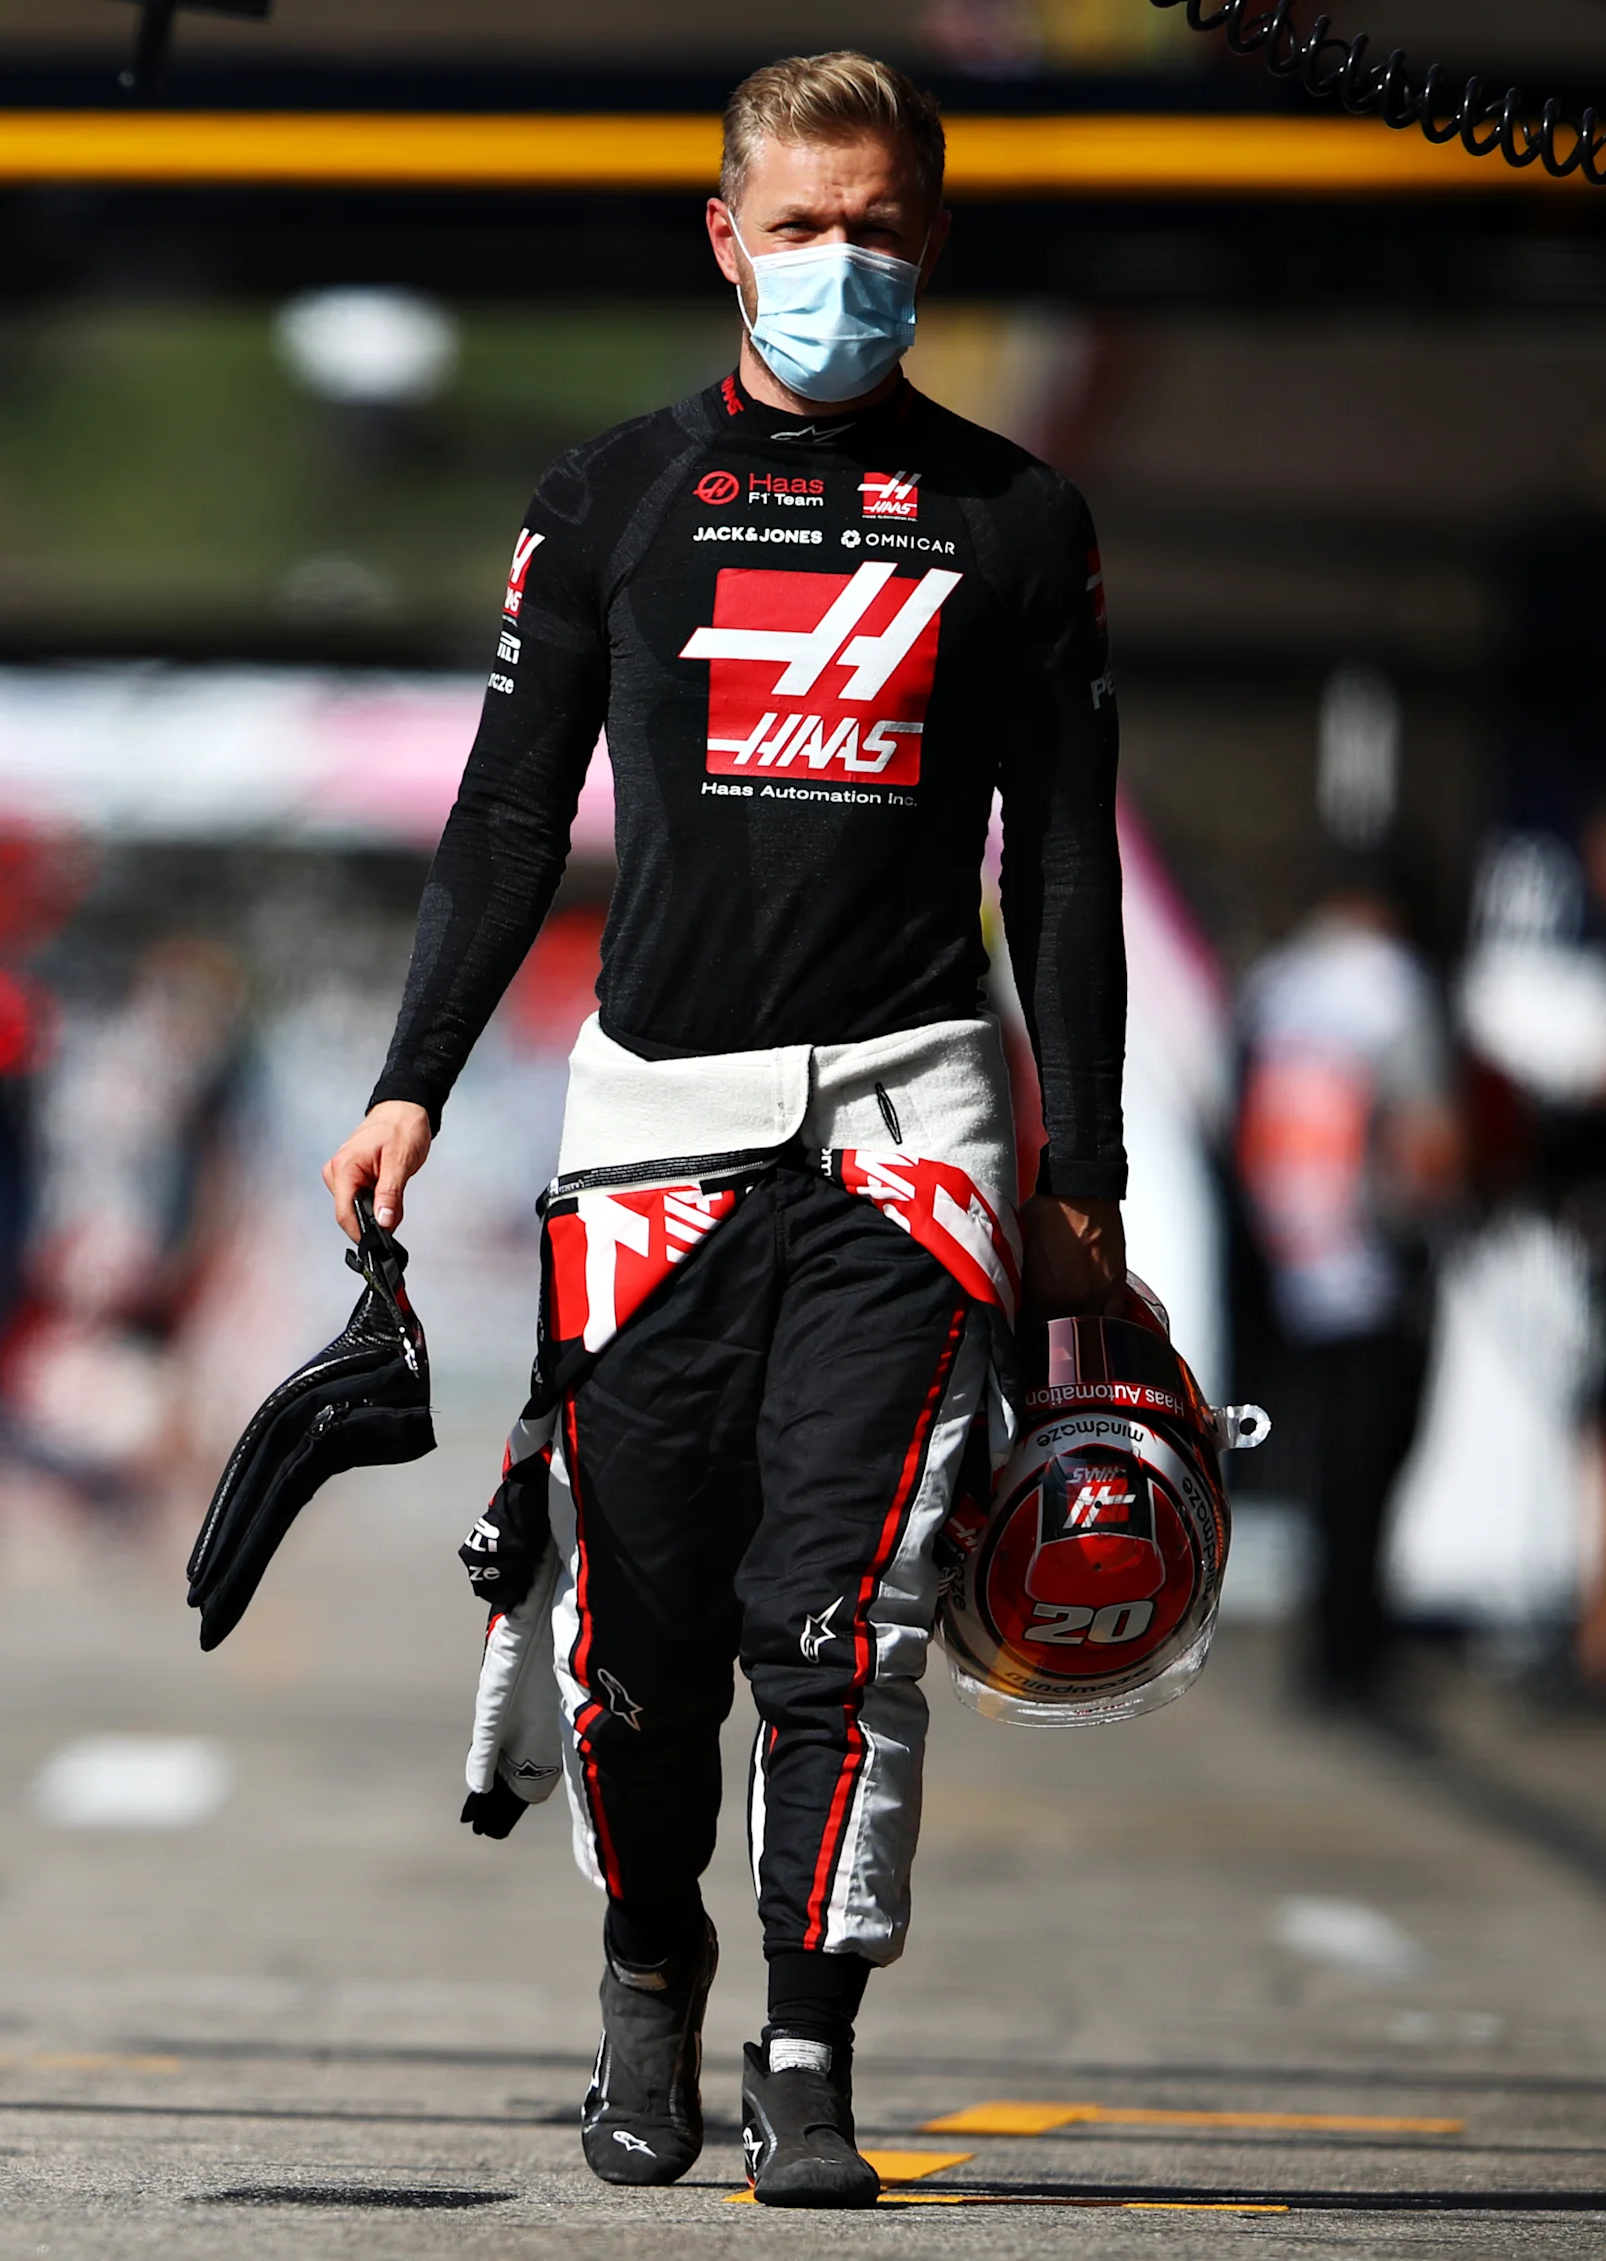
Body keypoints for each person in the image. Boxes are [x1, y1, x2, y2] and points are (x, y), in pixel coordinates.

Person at [320, 54, 1127, 2206]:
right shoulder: (610, 498)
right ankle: (646, 1968)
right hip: (656, 1119)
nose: (840, 266)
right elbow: (506, 815)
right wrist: (412, 1074)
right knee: (640, 1618)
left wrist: (1084, 1180)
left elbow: (1061, 866)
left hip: (906, 1126)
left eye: (879, 227)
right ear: (722, 235)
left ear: (932, 239)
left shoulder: (1016, 520)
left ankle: (810, 2038)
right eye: (801, 226)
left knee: (839, 1608)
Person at [1235, 874, 1461, 1708]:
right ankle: (1349, 1645)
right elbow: (1427, 1132)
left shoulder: (1281, 983)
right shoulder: (1395, 987)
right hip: (1373, 1251)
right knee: (1373, 1453)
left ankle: (1327, 1633)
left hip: (1289, 1243)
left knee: (1319, 1451)